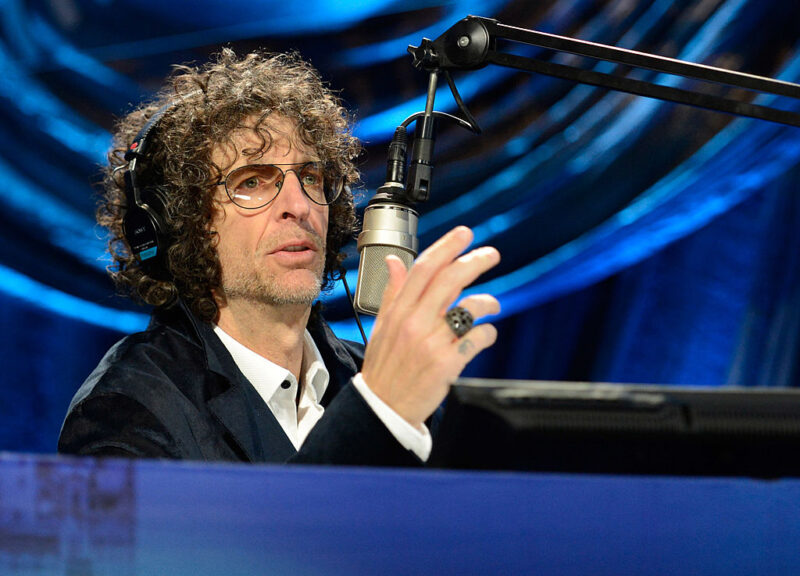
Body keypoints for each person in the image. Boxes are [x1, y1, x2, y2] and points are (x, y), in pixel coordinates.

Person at [58, 49, 500, 466]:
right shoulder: (124, 411)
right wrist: (379, 415)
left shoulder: (380, 378)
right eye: (252, 182)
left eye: (310, 176)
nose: (300, 204)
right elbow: (259, 547)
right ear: (181, 222)